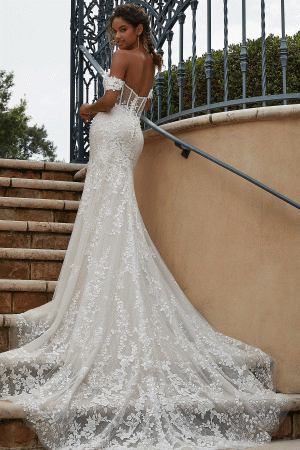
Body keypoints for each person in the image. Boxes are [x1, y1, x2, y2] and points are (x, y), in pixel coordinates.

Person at [0, 4, 292, 450]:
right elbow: (144, 103)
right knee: (117, 210)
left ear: (139, 29)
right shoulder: (152, 62)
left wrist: (86, 109)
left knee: (107, 208)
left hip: (112, 129)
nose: (115, 38)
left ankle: (105, 286)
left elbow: (112, 102)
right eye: (113, 31)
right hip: (132, 135)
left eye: (122, 30)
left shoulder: (121, 60)